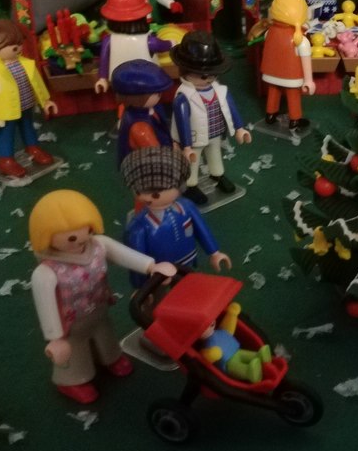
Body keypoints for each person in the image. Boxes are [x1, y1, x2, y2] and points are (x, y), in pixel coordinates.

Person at [29, 189, 176, 404]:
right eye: (72, 237)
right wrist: (55, 338)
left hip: (99, 307)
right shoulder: (46, 271)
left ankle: (110, 357)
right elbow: (46, 306)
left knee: (105, 335)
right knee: (74, 351)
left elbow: (123, 254)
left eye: (87, 229)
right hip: (70, 323)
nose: (81, 239)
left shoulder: (98, 245)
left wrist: (151, 266)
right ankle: (72, 380)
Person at [120, 146, 232, 288]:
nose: (146, 197)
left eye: (155, 194)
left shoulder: (186, 207)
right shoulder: (139, 227)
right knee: (161, 296)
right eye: (138, 191)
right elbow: (136, 258)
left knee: (190, 288)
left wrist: (214, 252)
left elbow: (202, 229)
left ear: (180, 186)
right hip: (159, 272)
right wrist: (141, 287)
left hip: (187, 261)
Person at [170, 32, 251, 203]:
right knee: (193, 162)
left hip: (215, 133)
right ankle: (190, 185)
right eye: (203, 75)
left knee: (215, 154)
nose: (209, 79)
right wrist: (186, 146)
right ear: (186, 71)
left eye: (213, 74)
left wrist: (240, 128)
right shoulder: (184, 97)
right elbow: (182, 122)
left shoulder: (219, 90)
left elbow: (231, 108)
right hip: (194, 138)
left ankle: (217, 175)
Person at [0, 19, 58, 179]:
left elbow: (37, 83)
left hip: (26, 105)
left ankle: (33, 147)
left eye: (18, 43)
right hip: (6, 112)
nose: (17, 48)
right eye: (11, 46)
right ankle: (5, 160)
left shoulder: (25, 64)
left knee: (28, 127)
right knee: (6, 134)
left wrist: (45, 101)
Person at [94, 0, 174, 94]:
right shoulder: (149, 41)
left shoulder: (109, 40)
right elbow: (163, 45)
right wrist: (172, 42)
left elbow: (103, 61)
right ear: (142, 18)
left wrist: (102, 78)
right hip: (148, 84)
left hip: (120, 84)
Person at [260, 0, 316, 130]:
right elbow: (306, 62)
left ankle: (270, 115)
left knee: (273, 91)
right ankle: (295, 120)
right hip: (291, 77)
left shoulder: (268, 32)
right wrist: (309, 81)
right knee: (293, 95)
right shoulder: (301, 40)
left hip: (270, 74)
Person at [112, 59, 175, 163]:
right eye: (157, 93)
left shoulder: (153, 108)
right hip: (149, 167)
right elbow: (156, 154)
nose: (160, 95)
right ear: (138, 98)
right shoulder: (140, 127)